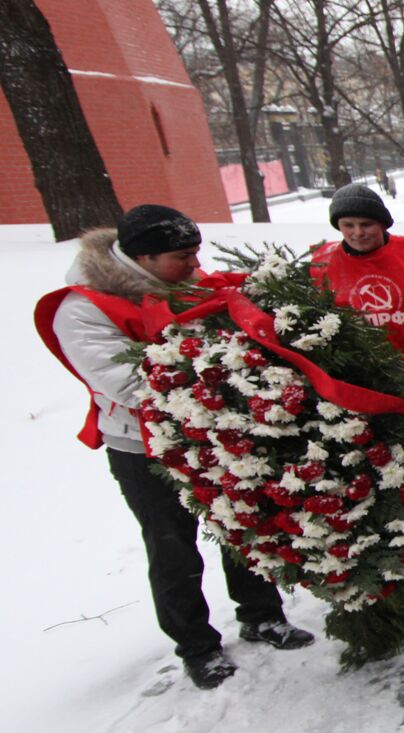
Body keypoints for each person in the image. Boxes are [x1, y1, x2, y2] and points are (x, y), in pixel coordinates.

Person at [34, 205, 313, 690]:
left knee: (243, 523)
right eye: (183, 256)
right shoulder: (81, 309)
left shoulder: (186, 281)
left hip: (219, 435)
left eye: (195, 254)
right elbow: (132, 387)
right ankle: (197, 645)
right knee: (171, 545)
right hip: (142, 447)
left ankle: (261, 613)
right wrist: (233, 382)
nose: (194, 265)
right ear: (143, 257)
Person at [310, 183, 404, 357]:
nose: (358, 232)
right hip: (359, 378)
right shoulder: (318, 270)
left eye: (366, 224)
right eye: (348, 225)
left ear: (382, 224)